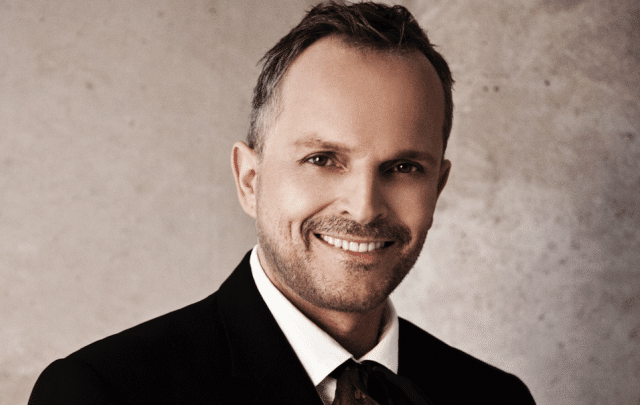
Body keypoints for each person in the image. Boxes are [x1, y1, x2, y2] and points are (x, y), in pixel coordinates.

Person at [29, 1, 536, 404]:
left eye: (404, 168)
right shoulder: (103, 393)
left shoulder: (495, 398)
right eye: (323, 159)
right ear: (250, 180)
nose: (364, 208)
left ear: (438, 187)